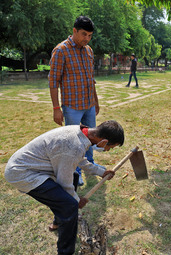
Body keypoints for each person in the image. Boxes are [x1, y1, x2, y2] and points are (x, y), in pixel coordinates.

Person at [4, 120, 125, 254]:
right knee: (69, 206)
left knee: (73, 179)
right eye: (110, 147)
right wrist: (76, 201)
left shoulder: (81, 133)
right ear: (103, 141)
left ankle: (57, 221)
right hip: (22, 173)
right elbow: (64, 182)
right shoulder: (73, 146)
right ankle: (65, 252)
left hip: (33, 167)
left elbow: (79, 159)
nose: (108, 150)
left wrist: (101, 172)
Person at [48, 16, 100, 186]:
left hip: (89, 105)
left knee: (91, 137)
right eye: (84, 34)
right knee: (73, 141)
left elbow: (90, 79)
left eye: (90, 35)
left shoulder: (89, 51)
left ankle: (89, 166)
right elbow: (53, 81)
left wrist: (96, 101)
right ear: (74, 31)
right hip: (72, 107)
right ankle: (75, 172)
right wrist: (56, 108)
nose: (87, 39)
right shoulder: (61, 50)